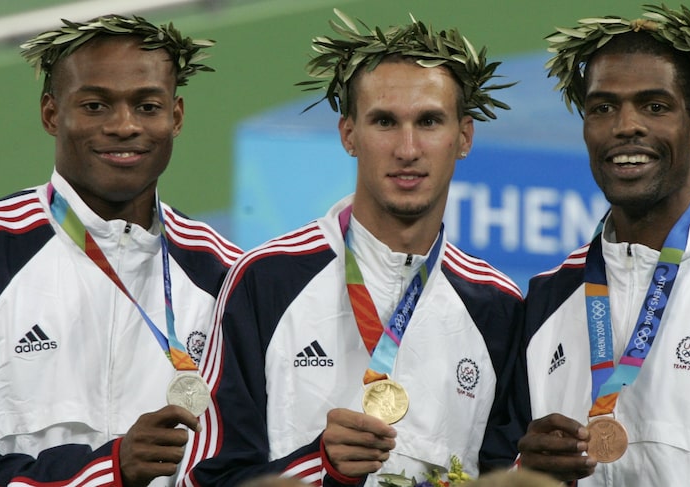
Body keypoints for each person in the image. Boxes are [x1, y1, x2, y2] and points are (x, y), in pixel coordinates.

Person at [177, 10, 523, 487]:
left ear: (463, 137)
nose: (407, 149)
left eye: (428, 121)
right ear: (349, 135)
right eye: (384, 121)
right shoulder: (267, 280)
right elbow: (202, 475)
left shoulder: (497, 307)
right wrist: (321, 465)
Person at [517, 4, 690, 486]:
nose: (626, 125)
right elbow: (495, 463)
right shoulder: (546, 300)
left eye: (655, 106)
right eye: (602, 107)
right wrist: (527, 473)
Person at [0, 14, 242, 487]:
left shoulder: (227, 275)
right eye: (95, 105)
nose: (124, 126)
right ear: (52, 114)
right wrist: (107, 472)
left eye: (147, 106)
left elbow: (247, 457)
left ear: (175, 117)